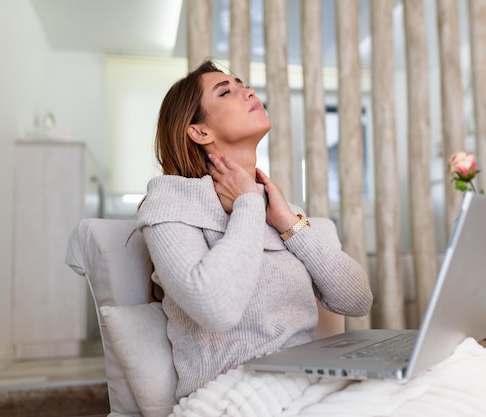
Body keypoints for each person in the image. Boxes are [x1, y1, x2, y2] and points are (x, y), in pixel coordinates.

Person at [135, 60, 373, 400]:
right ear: (200, 132)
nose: (247, 91)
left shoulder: (281, 211)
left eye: (242, 83)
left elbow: (358, 299)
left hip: (311, 385)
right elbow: (216, 308)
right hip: (234, 395)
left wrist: (291, 225)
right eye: (226, 91)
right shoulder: (171, 200)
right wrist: (246, 204)